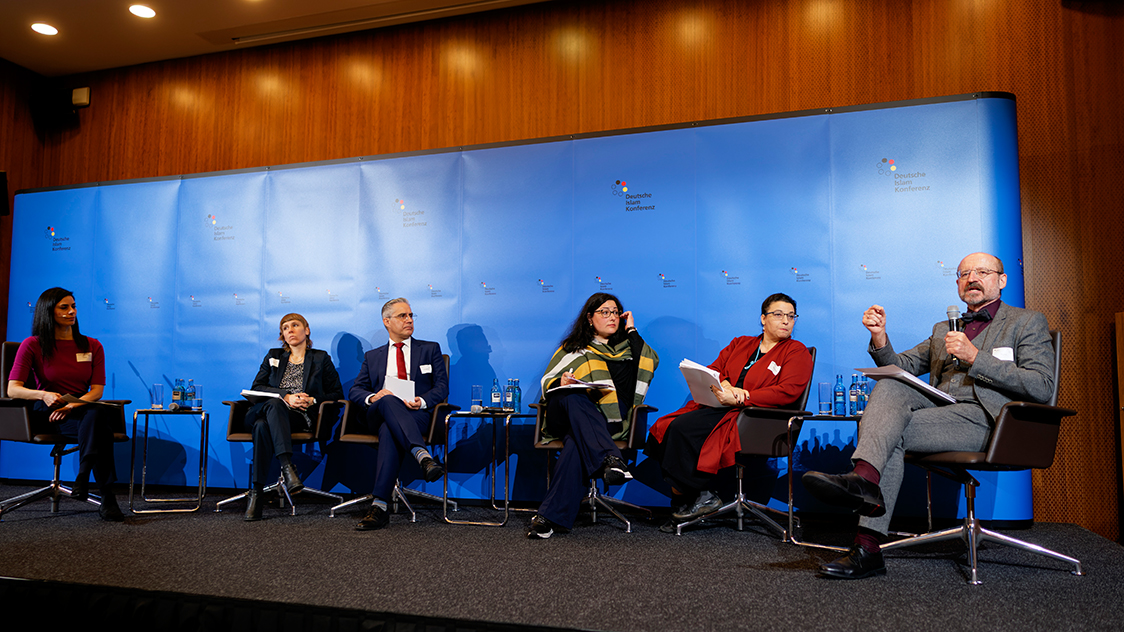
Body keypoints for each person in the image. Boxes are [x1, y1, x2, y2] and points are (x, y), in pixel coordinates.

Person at [802, 252, 1055, 579]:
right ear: (957, 284)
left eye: (982, 272)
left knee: (890, 434)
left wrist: (976, 357)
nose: (972, 278)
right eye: (964, 274)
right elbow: (902, 366)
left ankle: (867, 541)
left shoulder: (1026, 322)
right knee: (891, 387)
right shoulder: (943, 329)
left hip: (990, 420)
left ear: (1002, 280)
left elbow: (1042, 385)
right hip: (942, 414)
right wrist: (879, 336)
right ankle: (865, 490)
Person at [647, 293, 813, 531]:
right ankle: (692, 499)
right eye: (778, 314)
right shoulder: (741, 343)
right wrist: (723, 384)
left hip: (757, 420)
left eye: (791, 316)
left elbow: (788, 391)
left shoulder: (796, 351)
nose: (786, 320)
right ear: (763, 319)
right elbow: (715, 369)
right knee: (664, 427)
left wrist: (744, 395)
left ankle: (689, 501)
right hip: (722, 409)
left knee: (683, 428)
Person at [527, 292, 659, 539]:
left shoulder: (628, 351)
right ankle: (610, 458)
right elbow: (548, 381)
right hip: (565, 413)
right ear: (589, 318)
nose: (612, 317)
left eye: (616, 312)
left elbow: (649, 361)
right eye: (604, 312)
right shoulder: (573, 349)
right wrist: (562, 380)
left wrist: (632, 331)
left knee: (576, 443)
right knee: (573, 396)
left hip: (605, 423)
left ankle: (549, 517)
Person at [7, 287, 124, 521]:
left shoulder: (92, 345)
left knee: (96, 414)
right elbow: (13, 389)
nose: (72, 312)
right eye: (64, 307)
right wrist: (44, 396)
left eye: (73, 306)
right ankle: (105, 496)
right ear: (48, 312)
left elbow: (97, 391)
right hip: (48, 413)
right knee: (99, 420)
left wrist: (72, 406)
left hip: (79, 409)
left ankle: (83, 474)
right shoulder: (32, 344)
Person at [349, 298, 448, 531]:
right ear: (387, 321)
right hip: (378, 412)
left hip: (417, 415)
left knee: (389, 430)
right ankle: (422, 455)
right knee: (389, 400)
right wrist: (373, 397)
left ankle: (379, 506)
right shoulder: (373, 356)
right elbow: (356, 390)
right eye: (403, 316)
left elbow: (442, 387)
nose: (409, 320)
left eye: (411, 315)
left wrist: (421, 401)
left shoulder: (430, 349)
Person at [242, 313, 344, 521]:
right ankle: (288, 467)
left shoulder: (320, 358)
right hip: (269, 408)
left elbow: (337, 394)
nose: (290, 330)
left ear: (306, 330)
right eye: (285, 328)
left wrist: (312, 400)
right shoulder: (274, 355)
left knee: (262, 427)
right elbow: (257, 387)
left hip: (300, 416)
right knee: (273, 404)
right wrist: (286, 396)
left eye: (295, 325)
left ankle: (257, 492)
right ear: (282, 335)